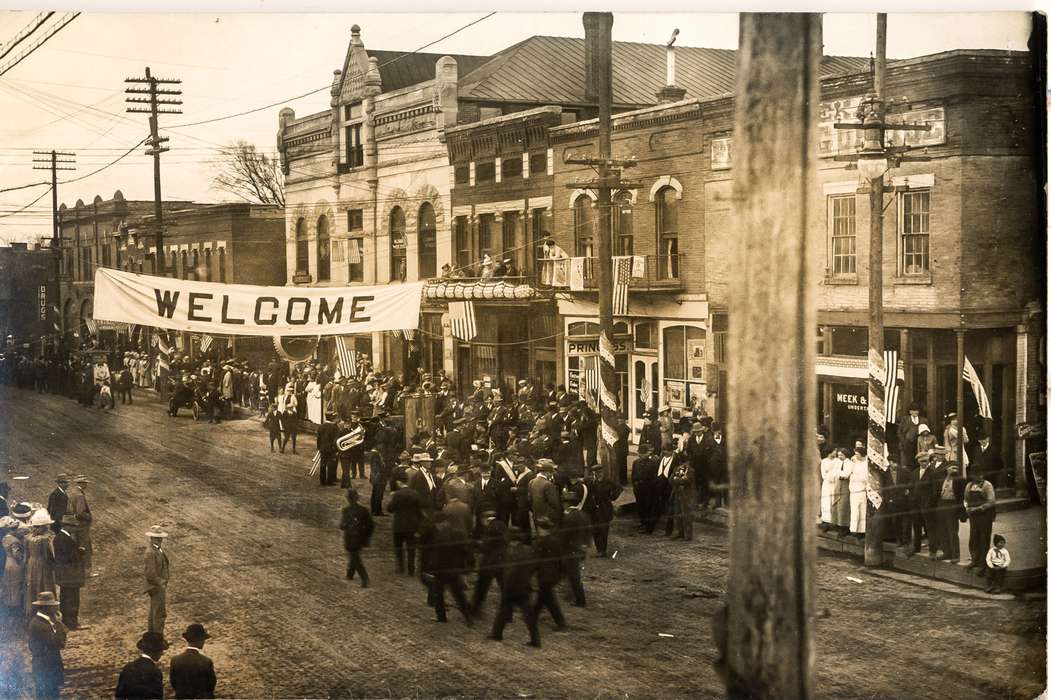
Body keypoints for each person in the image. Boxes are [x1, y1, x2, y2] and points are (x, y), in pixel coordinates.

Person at [488, 527, 541, 648]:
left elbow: (504, 570)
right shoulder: (529, 550)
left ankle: (497, 634)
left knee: (503, 610)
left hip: (510, 587)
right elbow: (534, 566)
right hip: (524, 586)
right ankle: (535, 639)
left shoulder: (508, 552)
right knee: (528, 614)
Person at [26, 591, 67, 700]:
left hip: (47, 664)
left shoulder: (43, 621)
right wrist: (59, 624)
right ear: (45, 608)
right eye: (52, 606)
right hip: (45, 666)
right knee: (48, 695)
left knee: (50, 693)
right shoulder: (40, 625)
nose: (55, 608)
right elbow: (58, 642)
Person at [470, 510, 508, 616]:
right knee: (504, 587)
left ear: (486, 519)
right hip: (502, 561)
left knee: (481, 588)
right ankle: (508, 611)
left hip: (489, 563)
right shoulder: (502, 525)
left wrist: (477, 544)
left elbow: (486, 547)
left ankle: (474, 611)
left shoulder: (490, 528)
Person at [116, 631, 169, 700]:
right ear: (155, 652)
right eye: (161, 650)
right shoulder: (155, 671)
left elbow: (119, 695)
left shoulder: (128, 667)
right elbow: (157, 697)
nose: (162, 654)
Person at [52, 519, 85, 629]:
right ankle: (72, 623)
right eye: (74, 527)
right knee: (72, 599)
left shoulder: (59, 538)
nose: (75, 529)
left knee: (65, 598)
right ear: (67, 526)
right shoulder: (64, 539)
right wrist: (80, 552)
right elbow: (69, 557)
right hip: (70, 575)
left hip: (64, 575)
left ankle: (66, 622)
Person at [24, 509, 57, 619]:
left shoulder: (28, 538)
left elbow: (26, 555)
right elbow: (50, 556)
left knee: (32, 588)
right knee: (44, 585)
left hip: (31, 565)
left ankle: (32, 614)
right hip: (43, 565)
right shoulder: (46, 539)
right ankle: (48, 612)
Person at [963, 467, 996, 575]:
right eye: (975, 476)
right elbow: (966, 499)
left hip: (984, 516)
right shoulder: (969, 486)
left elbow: (991, 502)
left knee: (984, 539)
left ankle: (983, 564)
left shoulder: (987, 486)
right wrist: (967, 508)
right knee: (973, 539)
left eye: (979, 475)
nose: (978, 478)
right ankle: (975, 560)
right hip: (973, 516)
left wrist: (978, 508)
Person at [169, 623, 216, 699]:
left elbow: (173, 682)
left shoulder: (175, 660)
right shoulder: (206, 662)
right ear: (200, 640)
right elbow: (210, 686)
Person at [339, 489, 374, 588]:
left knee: (355, 557)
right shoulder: (363, 510)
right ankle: (350, 574)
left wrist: (345, 526)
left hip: (350, 538)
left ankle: (364, 578)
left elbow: (342, 525)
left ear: (348, 499)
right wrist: (366, 537)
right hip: (360, 538)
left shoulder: (346, 510)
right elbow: (371, 525)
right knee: (354, 555)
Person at [585, 464, 622, 557]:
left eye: (600, 472)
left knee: (603, 530)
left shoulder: (608, 481)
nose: (599, 474)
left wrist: (612, 497)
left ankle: (602, 550)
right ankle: (599, 549)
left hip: (604, 509)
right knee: (594, 530)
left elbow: (619, 488)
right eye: (596, 473)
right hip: (593, 509)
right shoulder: (590, 481)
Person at [387, 478, 421, 576]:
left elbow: (390, 509)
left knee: (398, 547)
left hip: (399, 525)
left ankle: (401, 568)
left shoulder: (397, 494)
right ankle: (411, 570)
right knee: (411, 548)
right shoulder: (415, 493)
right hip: (411, 525)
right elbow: (418, 510)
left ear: (398, 482)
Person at [144, 525, 170, 636]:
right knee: (159, 613)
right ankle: (158, 637)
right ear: (151, 538)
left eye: (160, 538)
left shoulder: (156, 549)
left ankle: (153, 636)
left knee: (154, 613)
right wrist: (161, 583)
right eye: (156, 538)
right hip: (156, 586)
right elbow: (150, 574)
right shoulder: (151, 552)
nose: (159, 540)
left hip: (156, 585)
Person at [670, 458, 697, 541]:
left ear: (688, 462)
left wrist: (676, 480)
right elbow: (670, 479)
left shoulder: (691, 471)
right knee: (677, 514)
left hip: (687, 495)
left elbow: (687, 481)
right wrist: (678, 481)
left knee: (686, 515)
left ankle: (688, 534)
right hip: (677, 493)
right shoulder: (676, 469)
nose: (683, 465)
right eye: (681, 463)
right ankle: (678, 532)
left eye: (685, 463)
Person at [847, 442, 869, 541]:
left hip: (862, 490)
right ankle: (854, 530)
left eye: (857, 454)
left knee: (862, 511)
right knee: (854, 510)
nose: (855, 456)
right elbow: (850, 475)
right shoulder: (855, 464)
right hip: (853, 490)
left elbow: (866, 478)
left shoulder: (866, 464)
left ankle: (862, 531)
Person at [819, 447, 841, 531]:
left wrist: (831, 473)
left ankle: (834, 522)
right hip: (827, 484)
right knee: (826, 502)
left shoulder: (838, 461)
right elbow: (824, 474)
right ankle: (826, 522)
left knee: (834, 501)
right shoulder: (824, 461)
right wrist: (831, 475)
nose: (835, 453)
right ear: (830, 452)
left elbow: (838, 472)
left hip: (835, 483)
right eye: (834, 451)